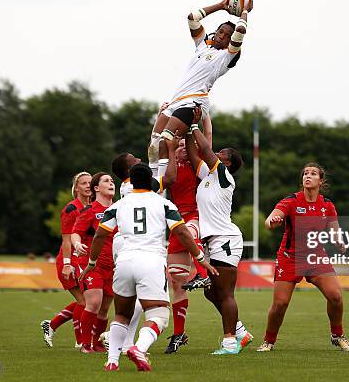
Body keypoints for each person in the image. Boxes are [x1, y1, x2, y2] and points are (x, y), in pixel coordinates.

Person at [79, 163, 218, 372]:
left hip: (124, 262)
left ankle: (112, 361)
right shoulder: (163, 204)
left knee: (121, 315)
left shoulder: (118, 205)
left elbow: (100, 234)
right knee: (159, 316)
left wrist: (91, 263)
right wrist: (200, 258)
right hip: (151, 262)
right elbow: (181, 232)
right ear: (151, 182)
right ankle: (139, 348)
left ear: (131, 182)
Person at [148, 0, 252, 175]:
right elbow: (192, 18)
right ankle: (151, 187)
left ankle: (158, 191)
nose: (222, 36)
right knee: (154, 146)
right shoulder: (203, 44)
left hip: (194, 102)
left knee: (166, 140)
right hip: (176, 100)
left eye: (227, 36)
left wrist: (244, 11)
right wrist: (221, 5)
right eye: (220, 31)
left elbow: (241, 32)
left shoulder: (226, 57)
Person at [256, 163, 349, 353]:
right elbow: (269, 221)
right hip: (289, 258)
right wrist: (273, 221)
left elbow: (334, 232)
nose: (308, 176)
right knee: (280, 304)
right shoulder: (291, 201)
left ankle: (337, 335)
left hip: (316, 257)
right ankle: (269, 341)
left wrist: (339, 242)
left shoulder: (327, 206)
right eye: (305, 173)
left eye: (313, 173)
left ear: (321, 180)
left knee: (335, 296)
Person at [185, 106, 252, 354]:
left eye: (220, 154)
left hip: (225, 239)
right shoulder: (209, 176)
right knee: (211, 293)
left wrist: (194, 126)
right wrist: (184, 131)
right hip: (214, 241)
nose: (215, 153)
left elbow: (203, 149)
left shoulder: (224, 176)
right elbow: (194, 154)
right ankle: (242, 333)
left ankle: (229, 342)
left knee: (225, 293)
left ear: (227, 163)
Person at [164, 138, 210, 354]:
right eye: (179, 145)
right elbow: (159, 144)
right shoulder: (170, 167)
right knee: (177, 282)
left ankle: (202, 273)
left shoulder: (199, 163)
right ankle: (178, 334)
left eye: (186, 145)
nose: (183, 148)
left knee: (190, 233)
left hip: (197, 216)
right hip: (176, 223)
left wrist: (200, 119)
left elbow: (206, 136)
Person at [40, 171, 91, 349]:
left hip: (84, 260)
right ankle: (79, 341)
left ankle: (52, 324)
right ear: (76, 187)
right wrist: (68, 264)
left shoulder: (93, 207)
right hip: (69, 260)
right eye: (83, 183)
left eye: (89, 183)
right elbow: (67, 240)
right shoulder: (71, 208)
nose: (87, 186)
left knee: (87, 301)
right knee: (84, 302)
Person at [70, 172, 116, 353]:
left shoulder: (120, 209)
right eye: (106, 181)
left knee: (104, 309)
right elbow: (75, 232)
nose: (111, 183)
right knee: (94, 302)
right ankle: (85, 344)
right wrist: (77, 243)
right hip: (92, 263)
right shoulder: (89, 210)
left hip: (113, 265)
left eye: (112, 180)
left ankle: (97, 343)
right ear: (96, 188)